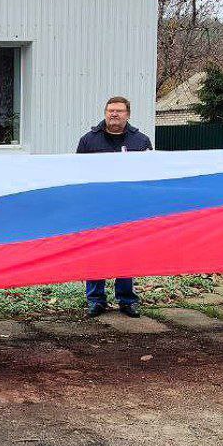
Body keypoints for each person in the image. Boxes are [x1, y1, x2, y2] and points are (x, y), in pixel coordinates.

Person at [76, 96, 153, 318]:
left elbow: (148, 176)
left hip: (128, 210)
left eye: (119, 111)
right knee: (95, 253)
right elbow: (78, 174)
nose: (114, 114)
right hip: (96, 209)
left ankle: (127, 300)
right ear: (105, 113)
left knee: (126, 254)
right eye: (110, 110)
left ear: (128, 114)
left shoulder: (141, 142)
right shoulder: (88, 141)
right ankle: (96, 300)